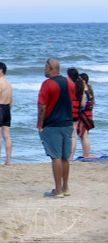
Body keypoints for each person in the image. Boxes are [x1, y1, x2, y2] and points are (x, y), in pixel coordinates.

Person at [37, 58, 76, 198]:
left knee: (56, 157)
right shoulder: (69, 83)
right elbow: (72, 101)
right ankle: (65, 188)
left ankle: (58, 190)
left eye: (45, 66)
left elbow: (42, 107)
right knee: (65, 157)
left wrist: (40, 125)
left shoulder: (47, 84)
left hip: (52, 124)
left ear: (51, 68)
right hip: (67, 123)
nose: (44, 69)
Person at [66, 68, 84, 159]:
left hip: (70, 112)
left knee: (68, 135)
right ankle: (71, 156)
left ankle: (68, 156)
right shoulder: (80, 84)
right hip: (77, 111)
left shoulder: (70, 85)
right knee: (73, 135)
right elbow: (82, 101)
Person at [77, 73, 95, 158]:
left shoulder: (84, 91)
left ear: (84, 81)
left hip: (84, 116)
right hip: (89, 115)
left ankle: (86, 155)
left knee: (83, 135)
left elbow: (83, 105)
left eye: (79, 79)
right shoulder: (89, 90)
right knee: (84, 135)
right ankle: (86, 154)